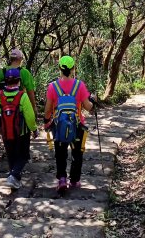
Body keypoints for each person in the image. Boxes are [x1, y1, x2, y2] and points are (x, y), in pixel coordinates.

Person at [43, 55, 95, 192]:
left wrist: (47, 122)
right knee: (77, 153)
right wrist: (93, 100)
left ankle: (62, 179)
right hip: (77, 125)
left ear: (59, 68)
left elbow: (48, 109)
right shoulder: (80, 85)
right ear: (73, 69)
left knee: (60, 153)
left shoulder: (52, 87)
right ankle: (74, 180)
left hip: (59, 125)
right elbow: (89, 107)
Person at [0, 67, 38, 189]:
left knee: (11, 156)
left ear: (5, 81)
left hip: (6, 132)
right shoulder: (23, 96)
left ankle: (14, 180)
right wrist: (34, 129)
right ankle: (14, 175)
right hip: (22, 133)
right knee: (23, 156)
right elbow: (30, 116)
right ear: (19, 81)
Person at [0, 48, 38, 117]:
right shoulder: (24, 72)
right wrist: (34, 108)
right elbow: (30, 92)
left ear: (11, 59)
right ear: (20, 59)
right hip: (20, 108)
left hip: (4, 108)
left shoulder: (2, 72)